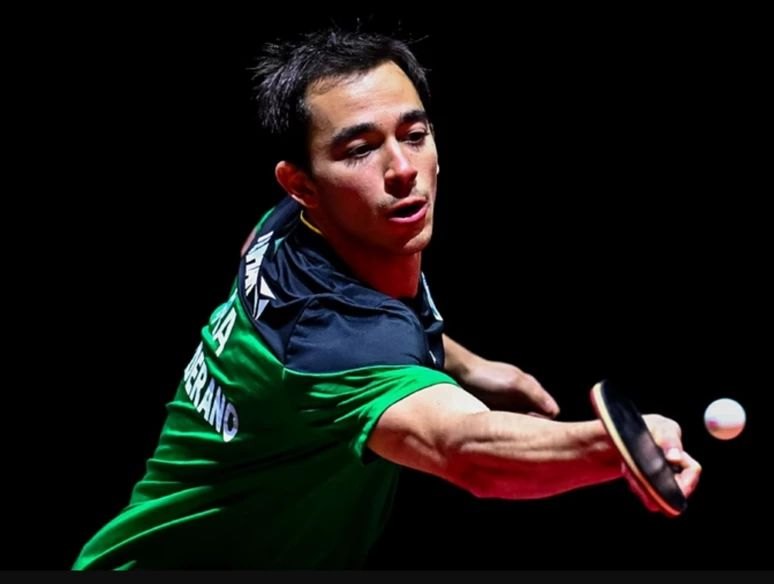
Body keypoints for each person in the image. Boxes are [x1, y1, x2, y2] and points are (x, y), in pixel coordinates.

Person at [72, 27, 701, 569]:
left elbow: (341, 310)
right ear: (301, 184)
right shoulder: (327, 340)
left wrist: (466, 364)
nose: (401, 169)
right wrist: (618, 447)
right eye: (360, 150)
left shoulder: (287, 230)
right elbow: (468, 452)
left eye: (415, 134)